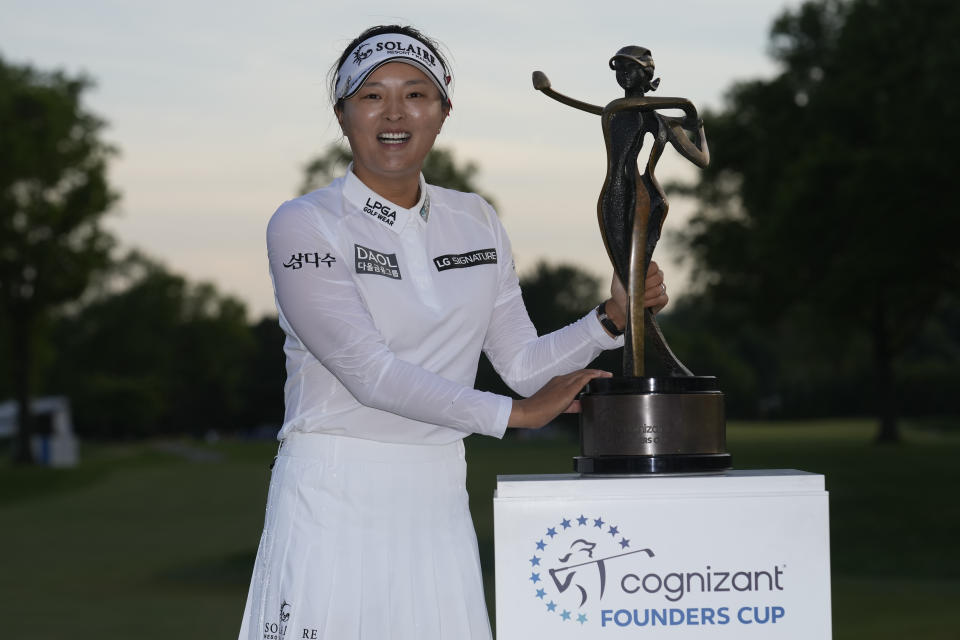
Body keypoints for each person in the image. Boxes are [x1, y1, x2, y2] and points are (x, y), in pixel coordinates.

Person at [238, 25, 669, 640]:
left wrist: (609, 321)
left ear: (442, 112)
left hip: (438, 491)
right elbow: (370, 374)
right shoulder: (304, 224)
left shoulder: (476, 219)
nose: (394, 113)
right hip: (333, 490)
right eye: (370, 95)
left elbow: (520, 361)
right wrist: (514, 416)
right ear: (342, 115)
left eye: (416, 94)